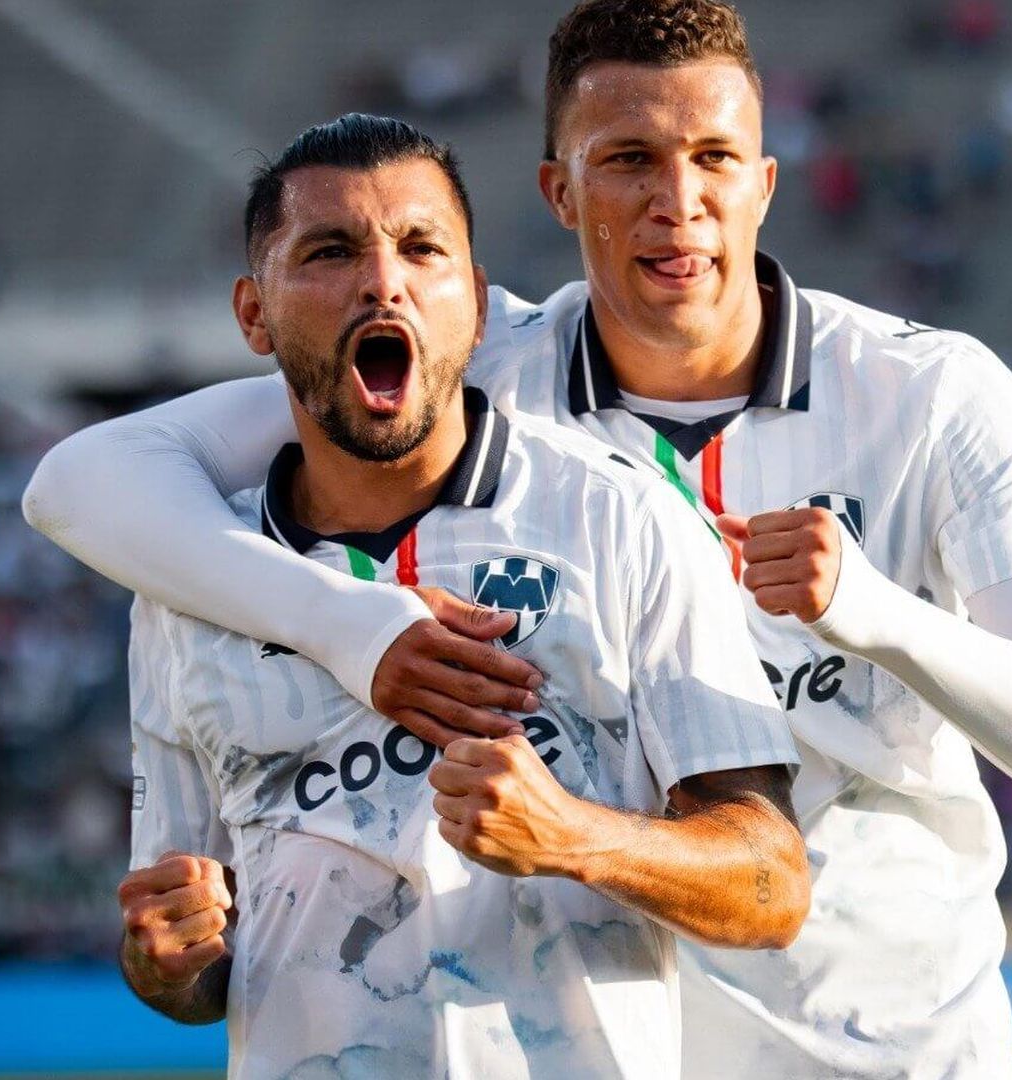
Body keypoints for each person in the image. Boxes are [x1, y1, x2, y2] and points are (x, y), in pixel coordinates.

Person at [26, 2, 1012, 1075]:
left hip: (888, 1048)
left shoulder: (926, 398)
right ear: (560, 191)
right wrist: (349, 627)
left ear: (765, 183)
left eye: (715, 157)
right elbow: (83, 482)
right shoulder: (474, 375)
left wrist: (877, 617)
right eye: (628, 159)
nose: (679, 199)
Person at [112, 113, 808, 1079]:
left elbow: (773, 885)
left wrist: (575, 838)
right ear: (253, 313)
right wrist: (167, 958)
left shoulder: (624, 522)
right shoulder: (186, 589)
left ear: (476, 305)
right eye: (329, 252)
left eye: (421, 248)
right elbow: (193, 955)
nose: (382, 281)